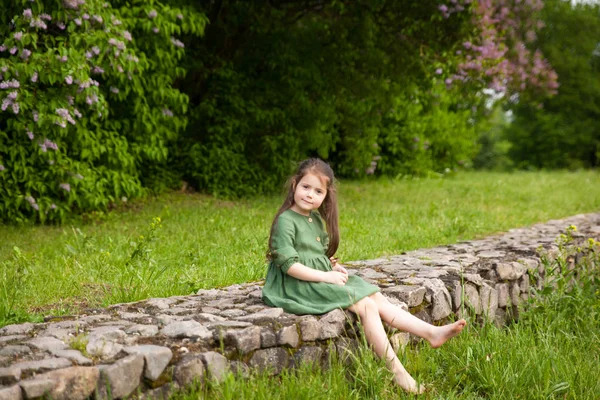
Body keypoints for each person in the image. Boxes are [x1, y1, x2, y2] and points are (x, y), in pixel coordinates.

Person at [262, 158, 466, 394]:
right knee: (366, 306)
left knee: (375, 295)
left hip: (317, 275)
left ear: (326, 196)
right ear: (295, 184)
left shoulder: (315, 219)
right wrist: (326, 277)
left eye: (318, 191)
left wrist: (331, 266)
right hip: (294, 284)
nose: (310, 195)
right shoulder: (286, 220)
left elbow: (313, 253)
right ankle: (398, 373)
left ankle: (431, 332)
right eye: (305, 187)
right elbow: (290, 265)